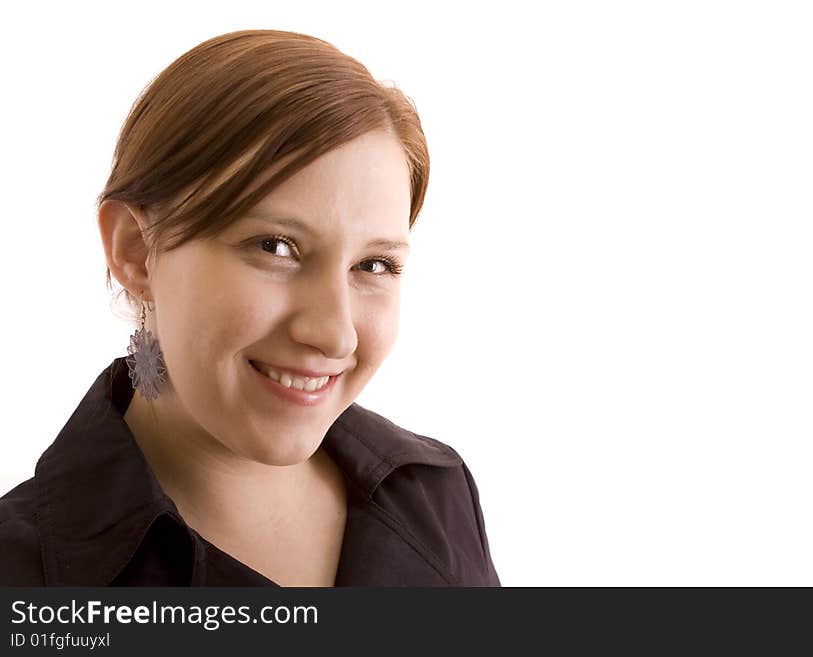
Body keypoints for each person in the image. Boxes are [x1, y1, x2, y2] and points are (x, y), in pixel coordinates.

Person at [0, 29, 500, 587]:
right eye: (275, 247)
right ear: (137, 253)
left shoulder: (436, 494)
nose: (334, 335)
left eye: (374, 265)